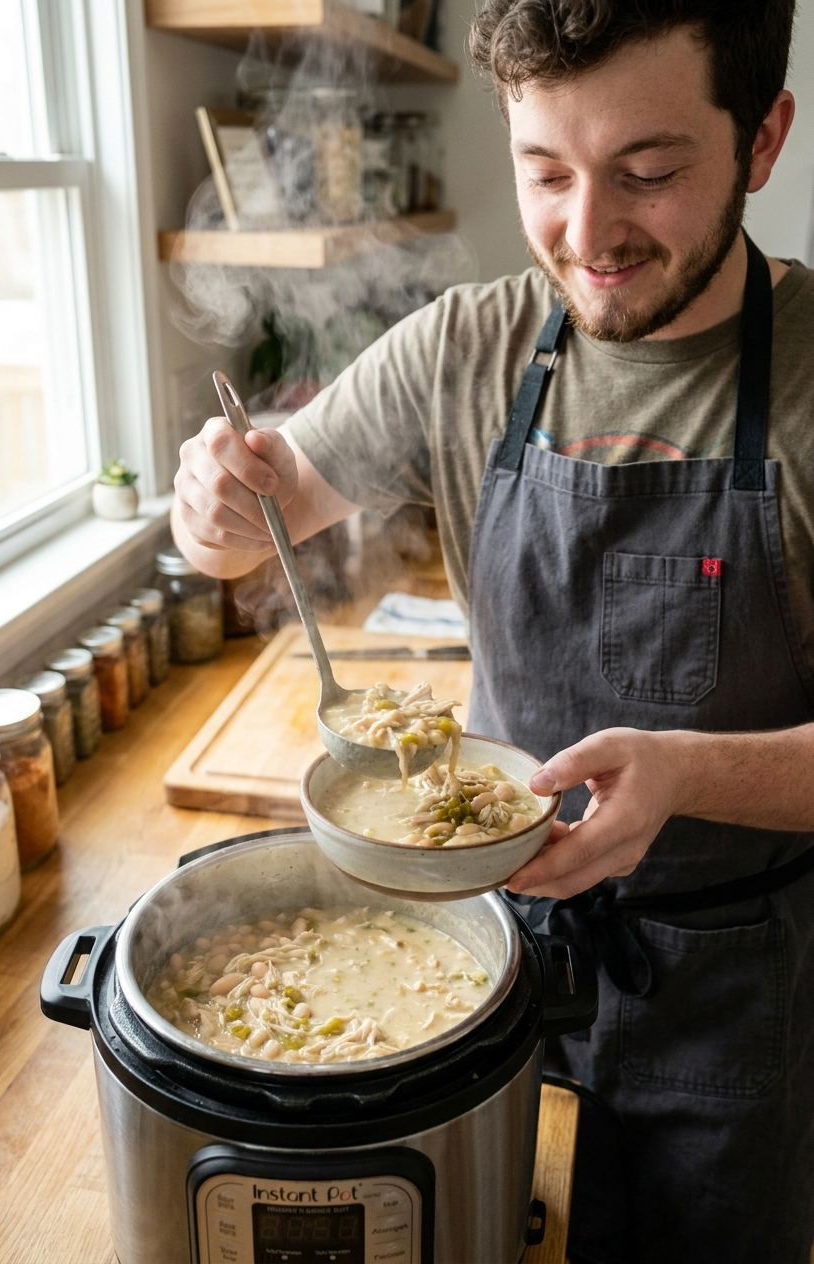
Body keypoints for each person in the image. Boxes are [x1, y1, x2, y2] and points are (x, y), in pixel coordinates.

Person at [172, 2, 814, 1260]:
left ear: (762, 139)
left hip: (741, 1001)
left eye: (649, 171)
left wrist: (690, 774)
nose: (588, 234)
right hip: (485, 953)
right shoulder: (465, 349)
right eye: (546, 171)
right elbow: (252, 519)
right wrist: (216, 500)